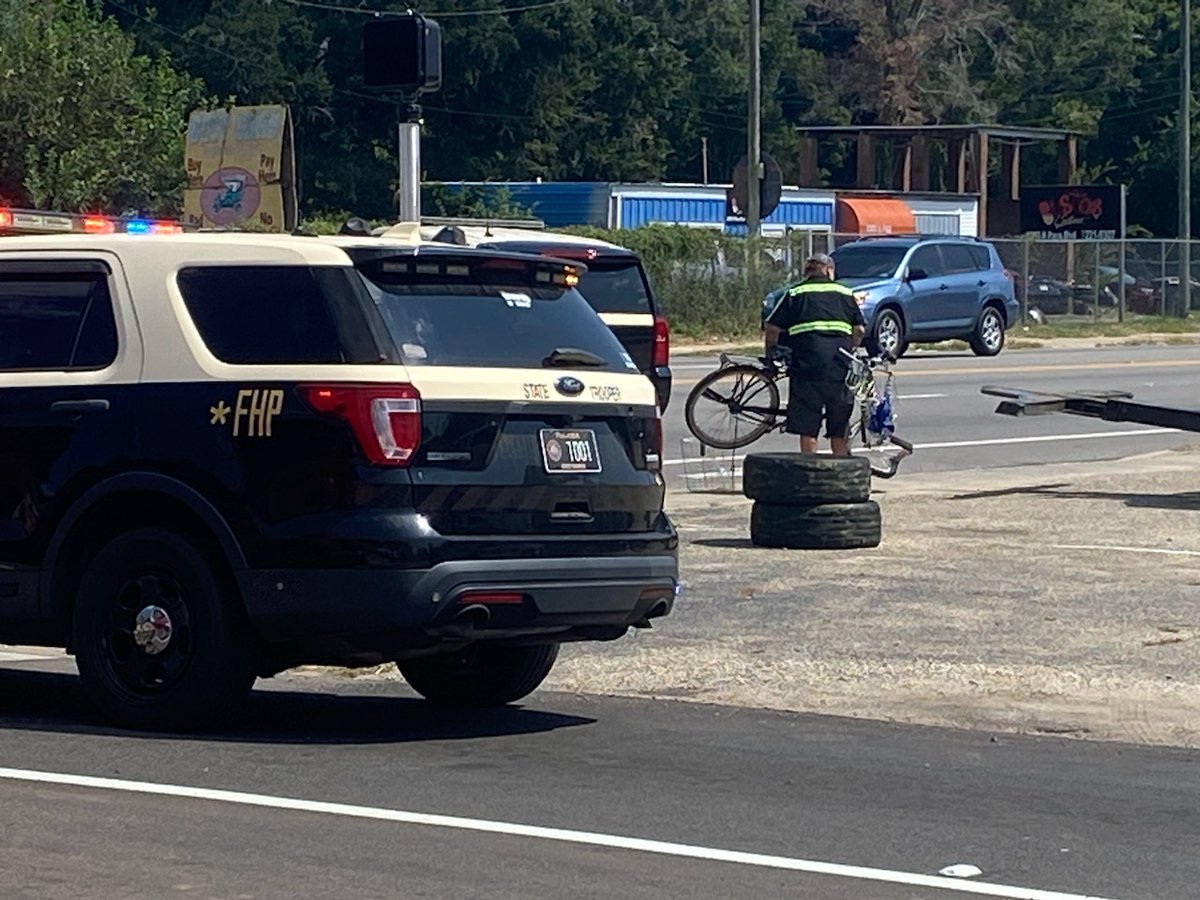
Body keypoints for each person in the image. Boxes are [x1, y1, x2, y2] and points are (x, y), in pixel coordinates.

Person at [763, 253, 865, 457]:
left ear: (807, 273)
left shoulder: (795, 292)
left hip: (806, 366)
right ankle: (841, 471)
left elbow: (772, 328)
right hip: (840, 366)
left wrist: (770, 357)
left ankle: (809, 470)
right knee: (839, 426)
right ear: (828, 271)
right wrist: (852, 348)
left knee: (808, 427)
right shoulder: (845, 292)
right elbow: (860, 330)